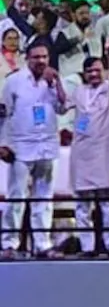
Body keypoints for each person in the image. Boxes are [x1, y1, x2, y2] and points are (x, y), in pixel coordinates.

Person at [0, 43, 68, 258]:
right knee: (16, 196)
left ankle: (42, 244)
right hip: (20, 146)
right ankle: (9, 244)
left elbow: (63, 107)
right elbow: (3, 113)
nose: (41, 61)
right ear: (27, 59)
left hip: (47, 145)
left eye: (44, 57)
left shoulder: (52, 80)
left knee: (44, 198)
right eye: (36, 57)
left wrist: (56, 83)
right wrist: (3, 143)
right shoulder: (14, 81)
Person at [68, 56, 109, 257]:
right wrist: (54, 82)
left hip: (104, 153)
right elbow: (61, 105)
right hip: (83, 153)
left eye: (97, 70)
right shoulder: (78, 91)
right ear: (84, 74)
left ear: (104, 71)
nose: (94, 74)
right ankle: (87, 247)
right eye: (89, 71)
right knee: (82, 204)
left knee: (108, 201)